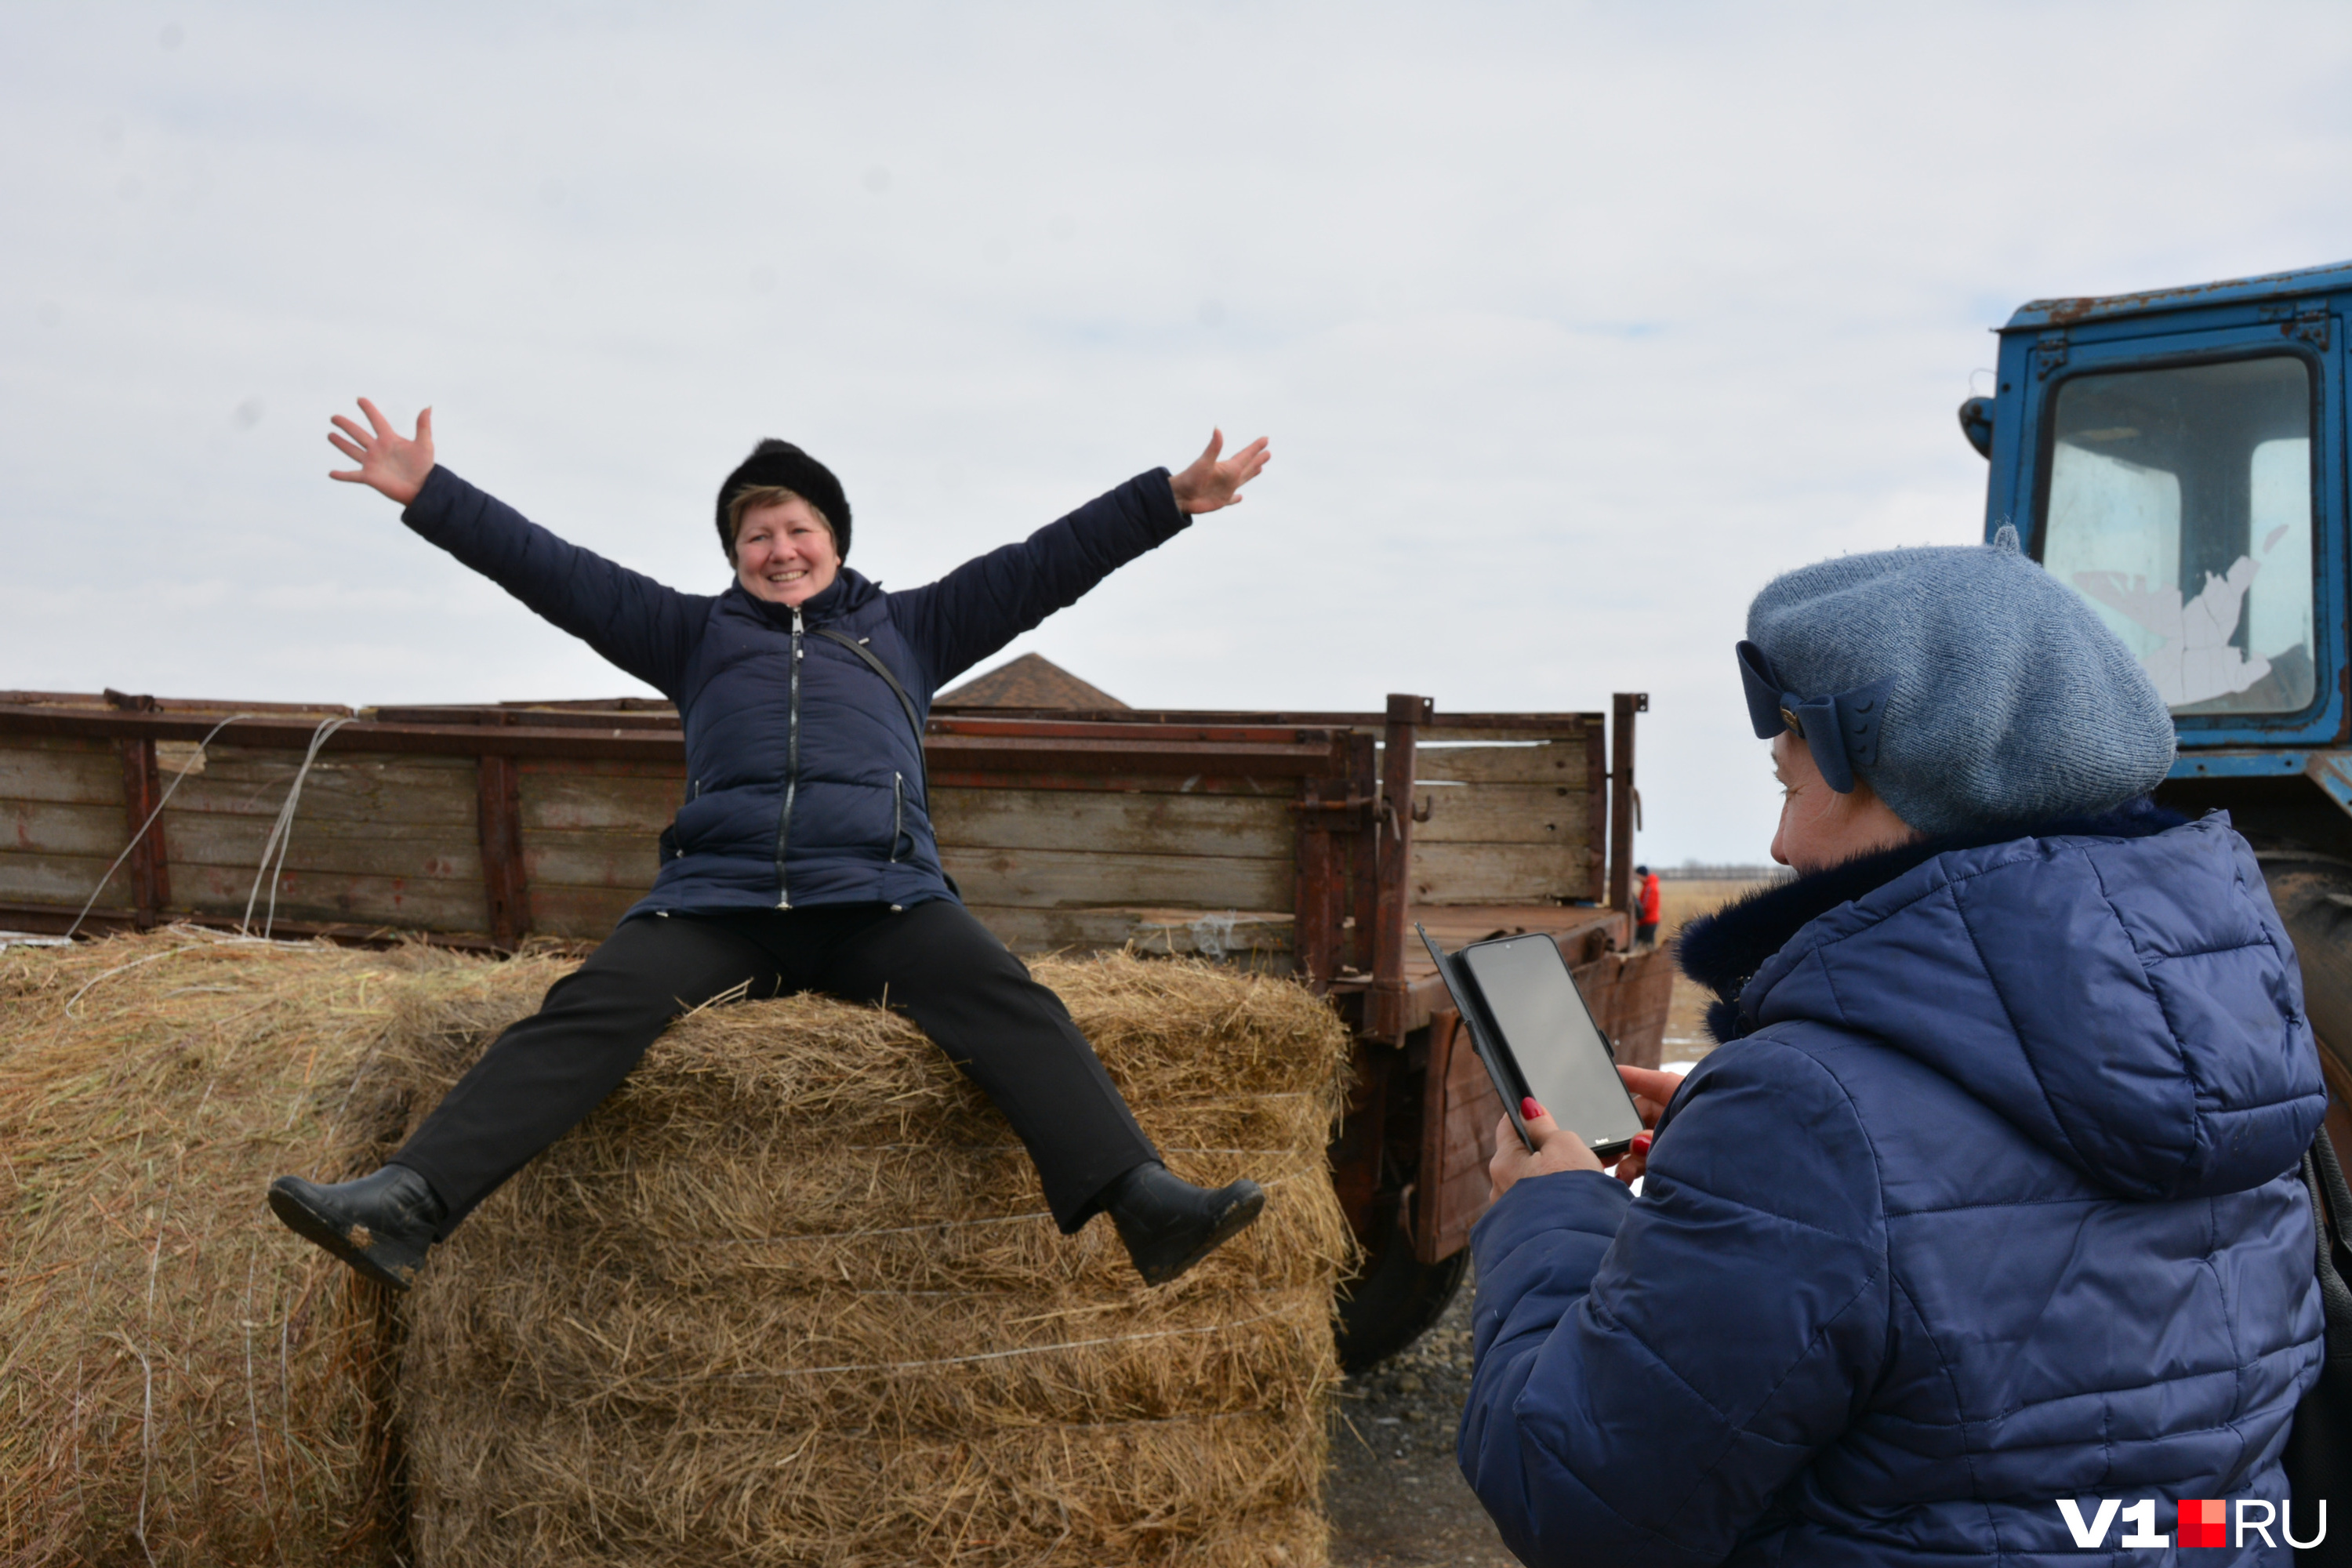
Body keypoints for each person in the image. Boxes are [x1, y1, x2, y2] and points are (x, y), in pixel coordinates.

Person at [269, 400, 1275, 1290]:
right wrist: (431, 493)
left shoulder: (914, 627)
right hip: (719, 902)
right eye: (757, 535)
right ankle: (406, 1202)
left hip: (879, 897)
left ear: (834, 539)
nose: (779, 547)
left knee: (1006, 995)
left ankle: (1143, 1201)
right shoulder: (691, 636)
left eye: (798, 527)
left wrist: (1169, 500)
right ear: (734, 555)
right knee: (587, 1008)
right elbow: (553, 570)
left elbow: (1047, 562)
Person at [1458, 535, 2326, 1565]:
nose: (1779, 846)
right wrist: (1743, 1162)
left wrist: (1549, 1211)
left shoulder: (1806, 1121)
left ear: (1888, 777)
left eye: (1787, 783)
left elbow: (1576, 1503)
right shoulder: (2244, 1038)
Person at [1631, 862, 1661, 949]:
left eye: (1638, 876)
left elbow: (1646, 906)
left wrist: (1638, 910)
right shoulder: (1649, 886)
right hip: (1650, 921)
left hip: (1648, 921)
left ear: (1641, 875)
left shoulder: (1649, 888)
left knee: (1646, 947)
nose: (1638, 878)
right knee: (1648, 946)